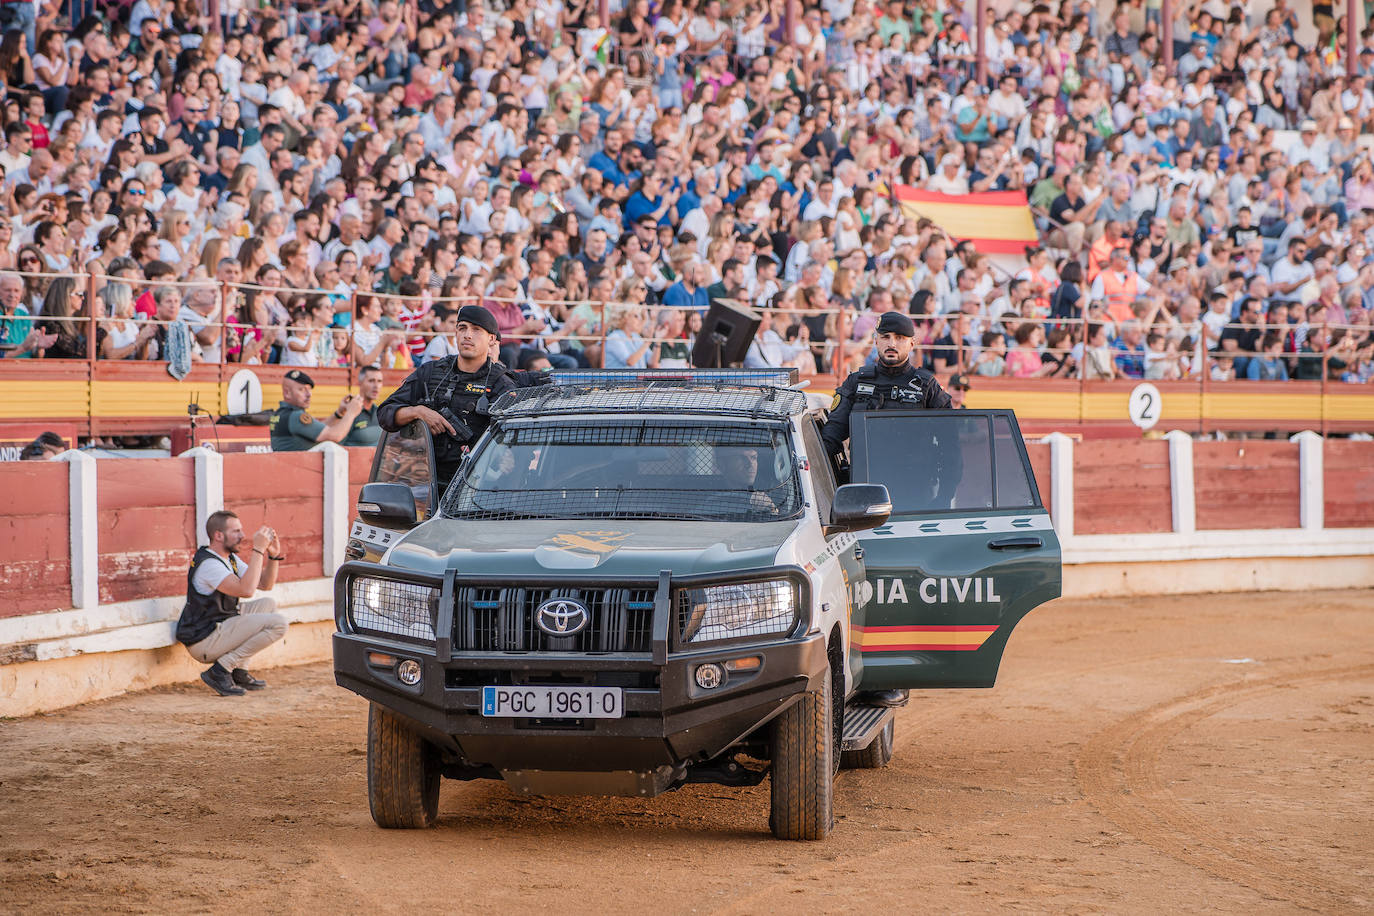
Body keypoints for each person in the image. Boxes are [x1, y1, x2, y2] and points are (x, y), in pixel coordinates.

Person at [819, 310, 952, 710]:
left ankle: (893, 674)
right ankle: (863, 673)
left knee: (902, 590)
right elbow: (828, 439)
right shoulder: (857, 384)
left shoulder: (925, 386)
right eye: (884, 337)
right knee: (864, 589)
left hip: (910, 507)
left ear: (912, 344)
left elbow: (952, 444)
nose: (891, 344)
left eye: (899, 337)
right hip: (862, 508)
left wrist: (942, 501)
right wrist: (833, 494)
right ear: (875, 341)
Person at [377, 304, 545, 488]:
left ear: (491, 339)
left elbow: (515, 443)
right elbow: (385, 413)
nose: (467, 335)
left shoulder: (501, 384)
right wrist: (418, 412)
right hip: (426, 486)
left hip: (474, 489)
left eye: (476, 330)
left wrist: (508, 460)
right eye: (462, 328)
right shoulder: (431, 372)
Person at [175, 510, 288, 697]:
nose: (242, 536)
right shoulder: (209, 565)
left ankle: (238, 671)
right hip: (204, 641)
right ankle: (220, 670)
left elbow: (264, 585)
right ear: (218, 535)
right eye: (236, 531)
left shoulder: (229, 559)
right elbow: (246, 590)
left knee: (268, 604)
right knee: (278, 623)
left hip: (219, 626)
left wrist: (273, 556)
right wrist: (258, 550)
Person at [269, 368, 365, 451]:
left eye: (309, 389)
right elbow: (335, 436)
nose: (309, 394)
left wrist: (339, 413)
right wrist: (351, 413)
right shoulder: (296, 416)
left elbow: (319, 430)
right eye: (302, 390)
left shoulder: (280, 413)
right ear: (287, 393)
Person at [342, 365, 385, 447]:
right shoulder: (350, 411)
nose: (376, 386)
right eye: (371, 381)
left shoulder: (380, 412)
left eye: (379, 381)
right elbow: (338, 446)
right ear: (360, 383)